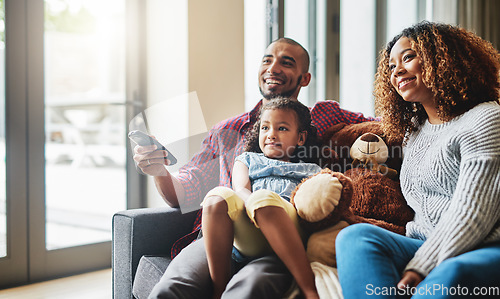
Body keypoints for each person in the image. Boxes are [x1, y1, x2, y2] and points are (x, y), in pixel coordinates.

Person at [134, 37, 376, 298]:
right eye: (267, 60)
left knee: (247, 290)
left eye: (286, 62)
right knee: (171, 290)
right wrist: (159, 169)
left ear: (304, 78)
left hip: (279, 236)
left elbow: (384, 127)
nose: (273, 68)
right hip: (220, 236)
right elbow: (183, 194)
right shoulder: (227, 130)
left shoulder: (326, 116)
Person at [335, 21, 500, 299]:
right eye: (390, 66)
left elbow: (473, 213)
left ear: (443, 60)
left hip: (481, 246)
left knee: (451, 273)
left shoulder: (487, 118)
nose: (396, 71)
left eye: (408, 57)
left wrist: (421, 268)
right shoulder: (415, 130)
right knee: (355, 238)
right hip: (422, 244)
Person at [202, 97, 322, 299]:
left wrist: (259, 200)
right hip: (250, 227)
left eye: (282, 129)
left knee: (264, 199)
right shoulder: (247, 159)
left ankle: (309, 289)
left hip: (289, 226)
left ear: (300, 138)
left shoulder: (311, 170)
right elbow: (240, 188)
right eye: (265, 128)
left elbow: (314, 201)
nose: (271, 135)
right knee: (216, 198)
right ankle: (219, 289)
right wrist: (250, 202)